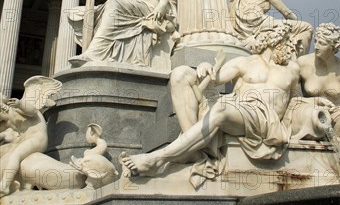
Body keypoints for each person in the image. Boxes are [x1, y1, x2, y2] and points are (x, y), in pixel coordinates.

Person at [120, 22, 300, 179]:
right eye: (286, 42)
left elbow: (295, 101)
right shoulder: (245, 62)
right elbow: (215, 78)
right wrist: (205, 67)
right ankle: (192, 153)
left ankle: (157, 159)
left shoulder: (292, 69)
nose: (290, 48)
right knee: (181, 73)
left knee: (222, 106)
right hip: (240, 109)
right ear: (274, 40)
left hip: (265, 120)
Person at [293, 23, 340, 179]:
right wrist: (313, 102)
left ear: (333, 48)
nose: (316, 46)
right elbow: (289, 97)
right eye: (316, 41)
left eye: (322, 43)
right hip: (313, 116)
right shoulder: (302, 64)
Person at [229, 0, 313, 55]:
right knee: (306, 27)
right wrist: (295, 21)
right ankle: (296, 59)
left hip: (241, 31)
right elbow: (285, 11)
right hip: (259, 24)